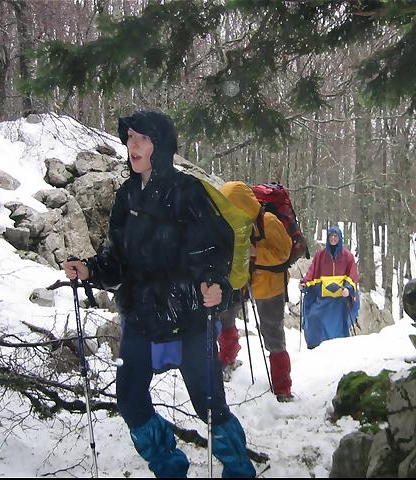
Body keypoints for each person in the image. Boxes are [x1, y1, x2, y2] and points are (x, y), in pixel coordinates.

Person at [61, 111, 255, 478]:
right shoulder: (127, 195)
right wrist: (90, 270)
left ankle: (239, 469)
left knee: (209, 405)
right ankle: (169, 467)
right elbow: (117, 259)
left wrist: (214, 283)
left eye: (142, 139)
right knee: (130, 400)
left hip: (189, 315)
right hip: (140, 314)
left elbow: (216, 248)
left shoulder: (188, 191)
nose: (132, 146)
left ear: (160, 145)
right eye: (129, 138)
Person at [216, 181, 294, 403]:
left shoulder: (268, 221)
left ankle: (282, 386)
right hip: (242, 279)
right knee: (226, 316)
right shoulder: (234, 223)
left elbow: (284, 253)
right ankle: (227, 358)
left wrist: (255, 252)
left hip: (270, 284)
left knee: (272, 332)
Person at [299, 226, 360, 349]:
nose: (333, 238)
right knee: (314, 317)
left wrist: (348, 289)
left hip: (340, 300)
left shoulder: (348, 257)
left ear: (340, 238)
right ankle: (316, 347)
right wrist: (305, 283)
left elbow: (352, 276)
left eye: (335, 236)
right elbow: (312, 272)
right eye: (331, 236)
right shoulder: (320, 256)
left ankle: (338, 348)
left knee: (340, 323)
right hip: (323, 299)